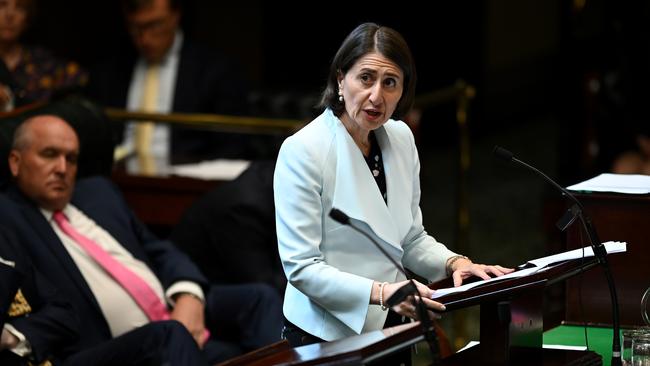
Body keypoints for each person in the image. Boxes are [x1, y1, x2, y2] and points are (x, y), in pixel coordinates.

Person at [274, 22, 514, 355]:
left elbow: (409, 238)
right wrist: (385, 293)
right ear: (340, 79)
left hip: (394, 322)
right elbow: (302, 267)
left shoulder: (400, 139)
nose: (377, 96)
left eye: (390, 83)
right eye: (365, 78)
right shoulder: (303, 151)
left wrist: (455, 263)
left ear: (403, 91)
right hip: (326, 333)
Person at [0, 114, 283, 364]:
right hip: (105, 348)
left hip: (172, 317)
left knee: (260, 298)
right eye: (49, 154)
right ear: (15, 162)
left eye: (71, 158)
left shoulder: (98, 194)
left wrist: (188, 293)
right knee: (168, 337)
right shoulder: (10, 217)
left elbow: (160, 250)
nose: (62, 168)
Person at [85, 0, 251, 168]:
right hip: (121, 178)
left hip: (185, 182)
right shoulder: (109, 71)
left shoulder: (215, 70)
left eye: (155, 25)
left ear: (175, 16)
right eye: (136, 28)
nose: (145, 38)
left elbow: (233, 147)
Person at [0, 0, 87, 111]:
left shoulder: (44, 63)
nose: (10, 15)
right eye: (1, 5)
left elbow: (86, 85)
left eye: (20, 7)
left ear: (27, 18)